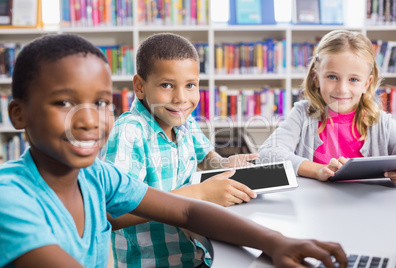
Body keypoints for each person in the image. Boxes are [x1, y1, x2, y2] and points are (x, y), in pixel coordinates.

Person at [0, 33, 347, 268]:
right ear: (18, 114)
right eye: (64, 102)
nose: (89, 120)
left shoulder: (97, 177)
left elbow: (186, 214)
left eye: (101, 102)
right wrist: (201, 192)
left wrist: (275, 242)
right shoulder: (10, 199)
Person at [101, 32, 260, 267]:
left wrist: (223, 165)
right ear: (140, 87)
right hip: (154, 262)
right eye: (167, 85)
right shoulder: (129, 131)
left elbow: (205, 156)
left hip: (193, 253)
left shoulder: (184, 121)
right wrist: (200, 194)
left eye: (190, 85)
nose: (181, 98)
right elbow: (115, 213)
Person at [257, 30, 396, 185]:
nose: (342, 89)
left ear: (366, 84)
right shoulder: (302, 114)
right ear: (316, 78)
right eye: (332, 77)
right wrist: (318, 170)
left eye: (353, 79)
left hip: (370, 206)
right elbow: (267, 154)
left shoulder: (381, 123)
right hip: (316, 205)